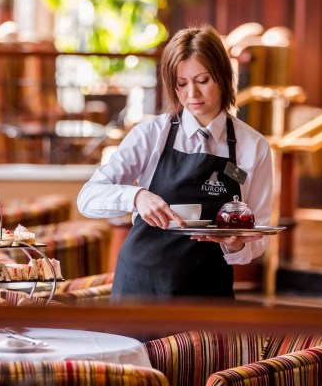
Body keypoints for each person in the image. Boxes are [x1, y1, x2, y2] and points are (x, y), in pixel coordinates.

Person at [77, 25, 273, 300]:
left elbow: (259, 237)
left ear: (223, 77)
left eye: (203, 80)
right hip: (140, 288)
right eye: (182, 84)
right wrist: (136, 197)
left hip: (208, 292)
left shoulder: (253, 147)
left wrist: (236, 245)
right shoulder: (151, 135)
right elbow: (87, 198)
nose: (192, 93)